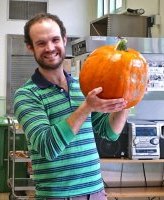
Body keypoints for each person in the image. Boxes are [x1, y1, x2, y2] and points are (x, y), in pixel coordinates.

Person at [14, 13, 129, 200]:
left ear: (64, 40)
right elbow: (48, 147)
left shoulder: (83, 85)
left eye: (55, 39)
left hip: (96, 193)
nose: (50, 48)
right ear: (30, 47)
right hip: (57, 196)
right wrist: (85, 108)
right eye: (41, 43)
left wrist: (128, 98)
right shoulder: (27, 95)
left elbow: (110, 132)